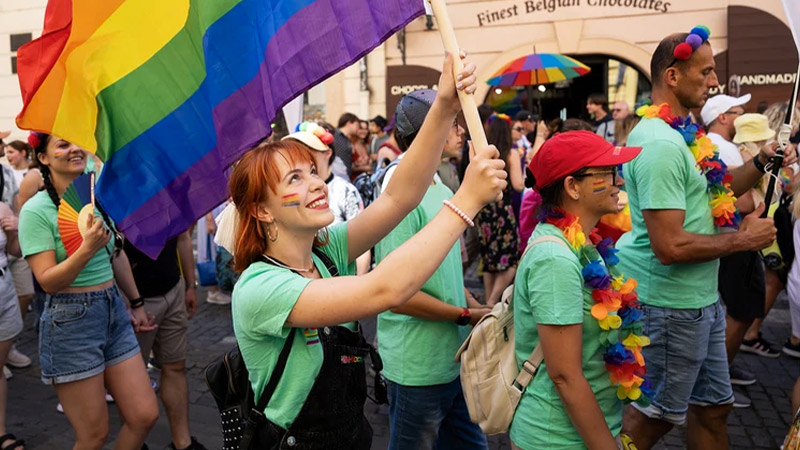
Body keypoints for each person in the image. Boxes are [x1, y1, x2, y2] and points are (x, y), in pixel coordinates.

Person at [225, 53, 507, 449]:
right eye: (295, 178)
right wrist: (466, 202)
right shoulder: (260, 288)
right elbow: (384, 290)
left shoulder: (326, 251)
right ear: (260, 210)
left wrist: (443, 104)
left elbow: (398, 198)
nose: (318, 185)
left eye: (313, 173)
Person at [617, 27, 795, 449]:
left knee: (714, 409)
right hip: (670, 308)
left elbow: (719, 188)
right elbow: (670, 246)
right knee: (652, 420)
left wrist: (763, 161)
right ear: (673, 77)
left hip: (702, 301)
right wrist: (742, 240)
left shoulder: (686, 134)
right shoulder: (660, 143)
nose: (715, 81)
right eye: (707, 71)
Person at [19, 133, 159, 449]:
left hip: (112, 310)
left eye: (75, 141)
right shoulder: (36, 211)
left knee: (144, 415)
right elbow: (48, 281)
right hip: (70, 320)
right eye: (62, 144)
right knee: (93, 435)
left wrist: (136, 303)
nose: (74, 149)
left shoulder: (93, 198)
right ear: (43, 157)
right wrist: (85, 249)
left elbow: (115, 253)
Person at [373, 88, 490, 450]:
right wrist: (464, 314)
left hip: (449, 360)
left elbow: (445, 272)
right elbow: (395, 295)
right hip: (417, 366)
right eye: (454, 122)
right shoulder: (400, 184)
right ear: (431, 130)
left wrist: (474, 304)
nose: (461, 132)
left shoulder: (438, 183)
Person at [511, 130, 643, 450]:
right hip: (555, 439)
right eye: (609, 174)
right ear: (572, 186)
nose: (619, 182)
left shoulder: (580, 242)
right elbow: (565, 377)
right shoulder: (555, 258)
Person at [702, 96, 769, 408]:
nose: (744, 117)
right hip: (736, 238)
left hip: (737, 238)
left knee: (735, 310)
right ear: (723, 117)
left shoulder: (715, 143)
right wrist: (756, 193)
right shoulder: (719, 145)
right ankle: (718, 378)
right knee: (740, 311)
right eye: (739, 112)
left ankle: (720, 375)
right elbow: (736, 200)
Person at [124, 230, 206, 450]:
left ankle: (183, 443)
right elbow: (114, 251)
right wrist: (130, 302)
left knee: (175, 366)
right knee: (131, 378)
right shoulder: (115, 196)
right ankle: (135, 443)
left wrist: (190, 285)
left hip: (173, 288)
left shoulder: (168, 195)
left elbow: (182, 236)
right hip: (137, 299)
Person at [282, 122, 371, 275]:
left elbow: (362, 243)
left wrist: (358, 283)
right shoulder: (290, 195)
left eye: (308, 150)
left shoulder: (345, 191)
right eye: (295, 150)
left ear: (327, 153)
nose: (300, 155)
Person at [476, 114, 525, 307]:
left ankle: (487, 309)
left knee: (490, 259)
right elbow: (518, 185)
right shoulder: (510, 152)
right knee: (511, 257)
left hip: (485, 210)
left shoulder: (483, 152)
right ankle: (491, 302)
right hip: (503, 209)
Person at [0, 141, 34, 372]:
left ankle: (7, 346)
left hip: (11, 236)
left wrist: (16, 225)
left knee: (26, 292)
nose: (3, 146)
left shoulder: (5, 172)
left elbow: (15, 202)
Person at [0, 199, 25, 450]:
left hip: (4, 297)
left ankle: (0, 431)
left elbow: (16, 251)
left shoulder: (1, 207)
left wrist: (15, 230)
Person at [333, 112, 360, 178]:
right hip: (337, 177)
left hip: (345, 177)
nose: (358, 128)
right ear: (349, 124)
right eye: (356, 125)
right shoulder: (335, 135)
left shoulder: (347, 138)